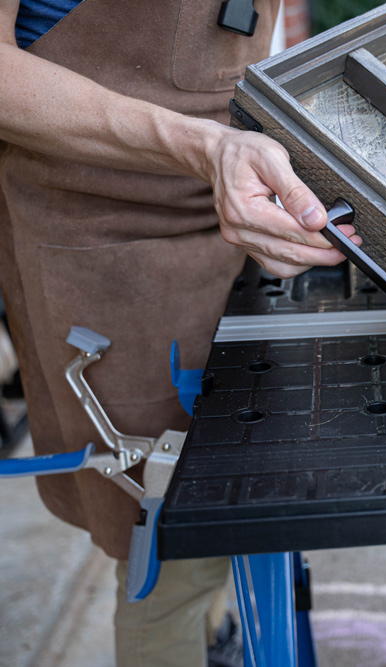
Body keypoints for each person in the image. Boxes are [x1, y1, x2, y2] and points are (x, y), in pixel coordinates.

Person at [0, 1, 361, 665]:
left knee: (234, 500)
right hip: (108, 238)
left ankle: (211, 633)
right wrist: (207, 147)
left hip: (232, 189)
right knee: (168, 549)